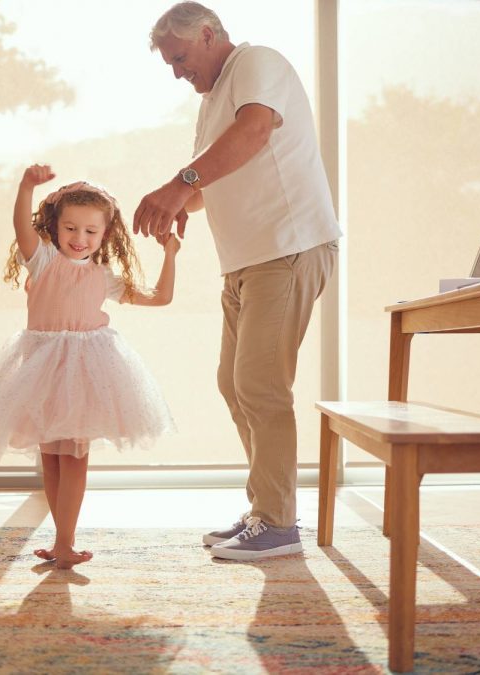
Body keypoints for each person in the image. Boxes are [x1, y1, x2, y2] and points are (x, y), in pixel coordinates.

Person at [135, 2, 342, 561]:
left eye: (180, 58)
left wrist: (180, 184)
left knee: (260, 384)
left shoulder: (256, 62)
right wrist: (186, 200)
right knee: (234, 384)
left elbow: (253, 133)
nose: (178, 72)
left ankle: (277, 523)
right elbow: (217, 176)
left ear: (207, 34)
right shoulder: (211, 102)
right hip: (247, 262)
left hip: (288, 247)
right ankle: (264, 512)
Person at [0, 163, 179, 569]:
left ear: (105, 235)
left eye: (90, 231)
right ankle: (61, 541)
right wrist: (26, 187)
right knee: (49, 455)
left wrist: (170, 254)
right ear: (55, 226)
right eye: (70, 228)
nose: (79, 239)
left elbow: (161, 297)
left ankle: (65, 541)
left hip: (85, 374)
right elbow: (19, 227)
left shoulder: (103, 277)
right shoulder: (42, 260)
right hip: (42, 371)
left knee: (74, 457)